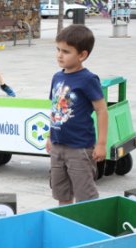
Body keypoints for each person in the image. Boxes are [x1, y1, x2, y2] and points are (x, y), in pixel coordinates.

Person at [45, 25, 108, 205]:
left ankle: (88, 228)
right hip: (58, 146)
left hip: (79, 148)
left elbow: (101, 110)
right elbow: (55, 108)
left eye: (66, 51)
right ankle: (65, 227)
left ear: (82, 55)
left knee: (85, 196)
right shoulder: (57, 77)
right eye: (58, 49)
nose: (59, 55)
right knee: (61, 193)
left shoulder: (88, 79)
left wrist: (101, 144)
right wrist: (50, 136)